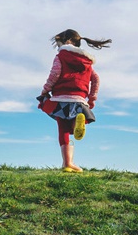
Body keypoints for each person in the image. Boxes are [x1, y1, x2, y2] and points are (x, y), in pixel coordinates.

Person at [37, 28, 112, 173]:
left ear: (65, 41)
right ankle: (78, 122)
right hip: (79, 100)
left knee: (63, 130)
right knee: (72, 127)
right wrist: (92, 98)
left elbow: (54, 74)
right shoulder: (87, 62)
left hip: (61, 98)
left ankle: (67, 163)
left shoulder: (61, 56)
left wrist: (45, 90)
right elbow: (96, 79)